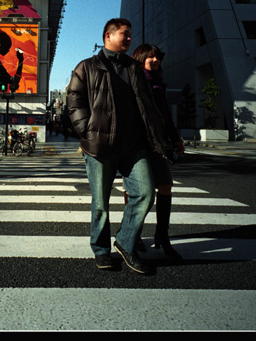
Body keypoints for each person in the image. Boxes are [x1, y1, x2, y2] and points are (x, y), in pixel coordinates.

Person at [67, 18, 167, 274]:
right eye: (126, 34)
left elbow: (148, 105)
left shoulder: (134, 68)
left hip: (134, 145)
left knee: (145, 193)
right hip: (100, 145)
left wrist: (158, 135)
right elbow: (74, 102)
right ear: (108, 36)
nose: (130, 38)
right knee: (100, 203)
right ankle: (101, 251)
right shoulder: (87, 67)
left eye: (131, 34)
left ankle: (125, 242)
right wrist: (87, 131)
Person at [132, 43, 185, 259]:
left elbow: (165, 115)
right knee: (135, 190)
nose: (155, 60)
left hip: (158, 143)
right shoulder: (133, 80)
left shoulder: (158, 84)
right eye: (150, 57)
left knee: (165, 185)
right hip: (137, 143)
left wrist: (175, 138)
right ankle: (134, 235)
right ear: (141, 58)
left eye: (157, 57)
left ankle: (162, 236)